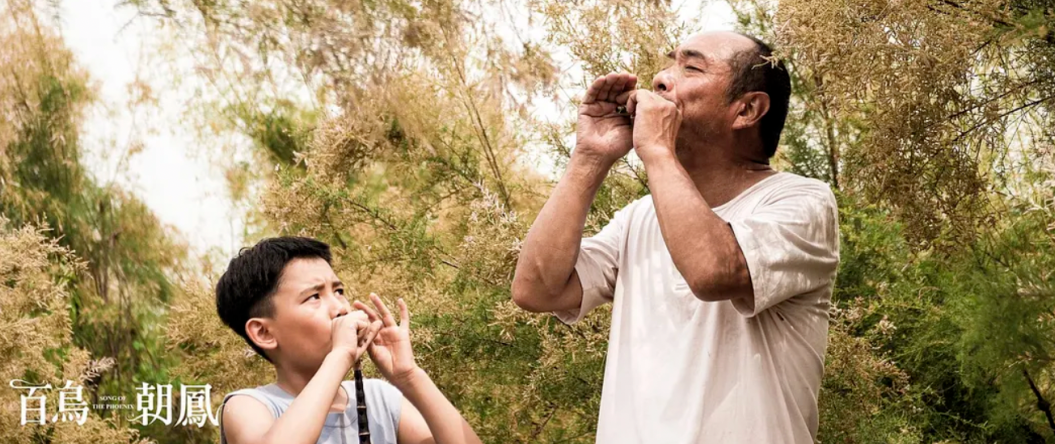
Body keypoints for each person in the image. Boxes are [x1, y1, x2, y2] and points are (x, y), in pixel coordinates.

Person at [511, 31, 840, 443]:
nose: (661, 80)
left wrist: (657, 150)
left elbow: (711, 272)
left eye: (691, 67)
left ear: (747, 109)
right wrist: (589, 157)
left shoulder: (801, 203)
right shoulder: (638, 219)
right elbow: (535, 290)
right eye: (669, 63)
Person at [214, 236, 481, 444]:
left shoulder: (380, 398)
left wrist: (410, 377)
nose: (340, 308)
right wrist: (339, 356)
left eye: (338, 290)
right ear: (264, 333)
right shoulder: (248, 406)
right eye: (314, 297)